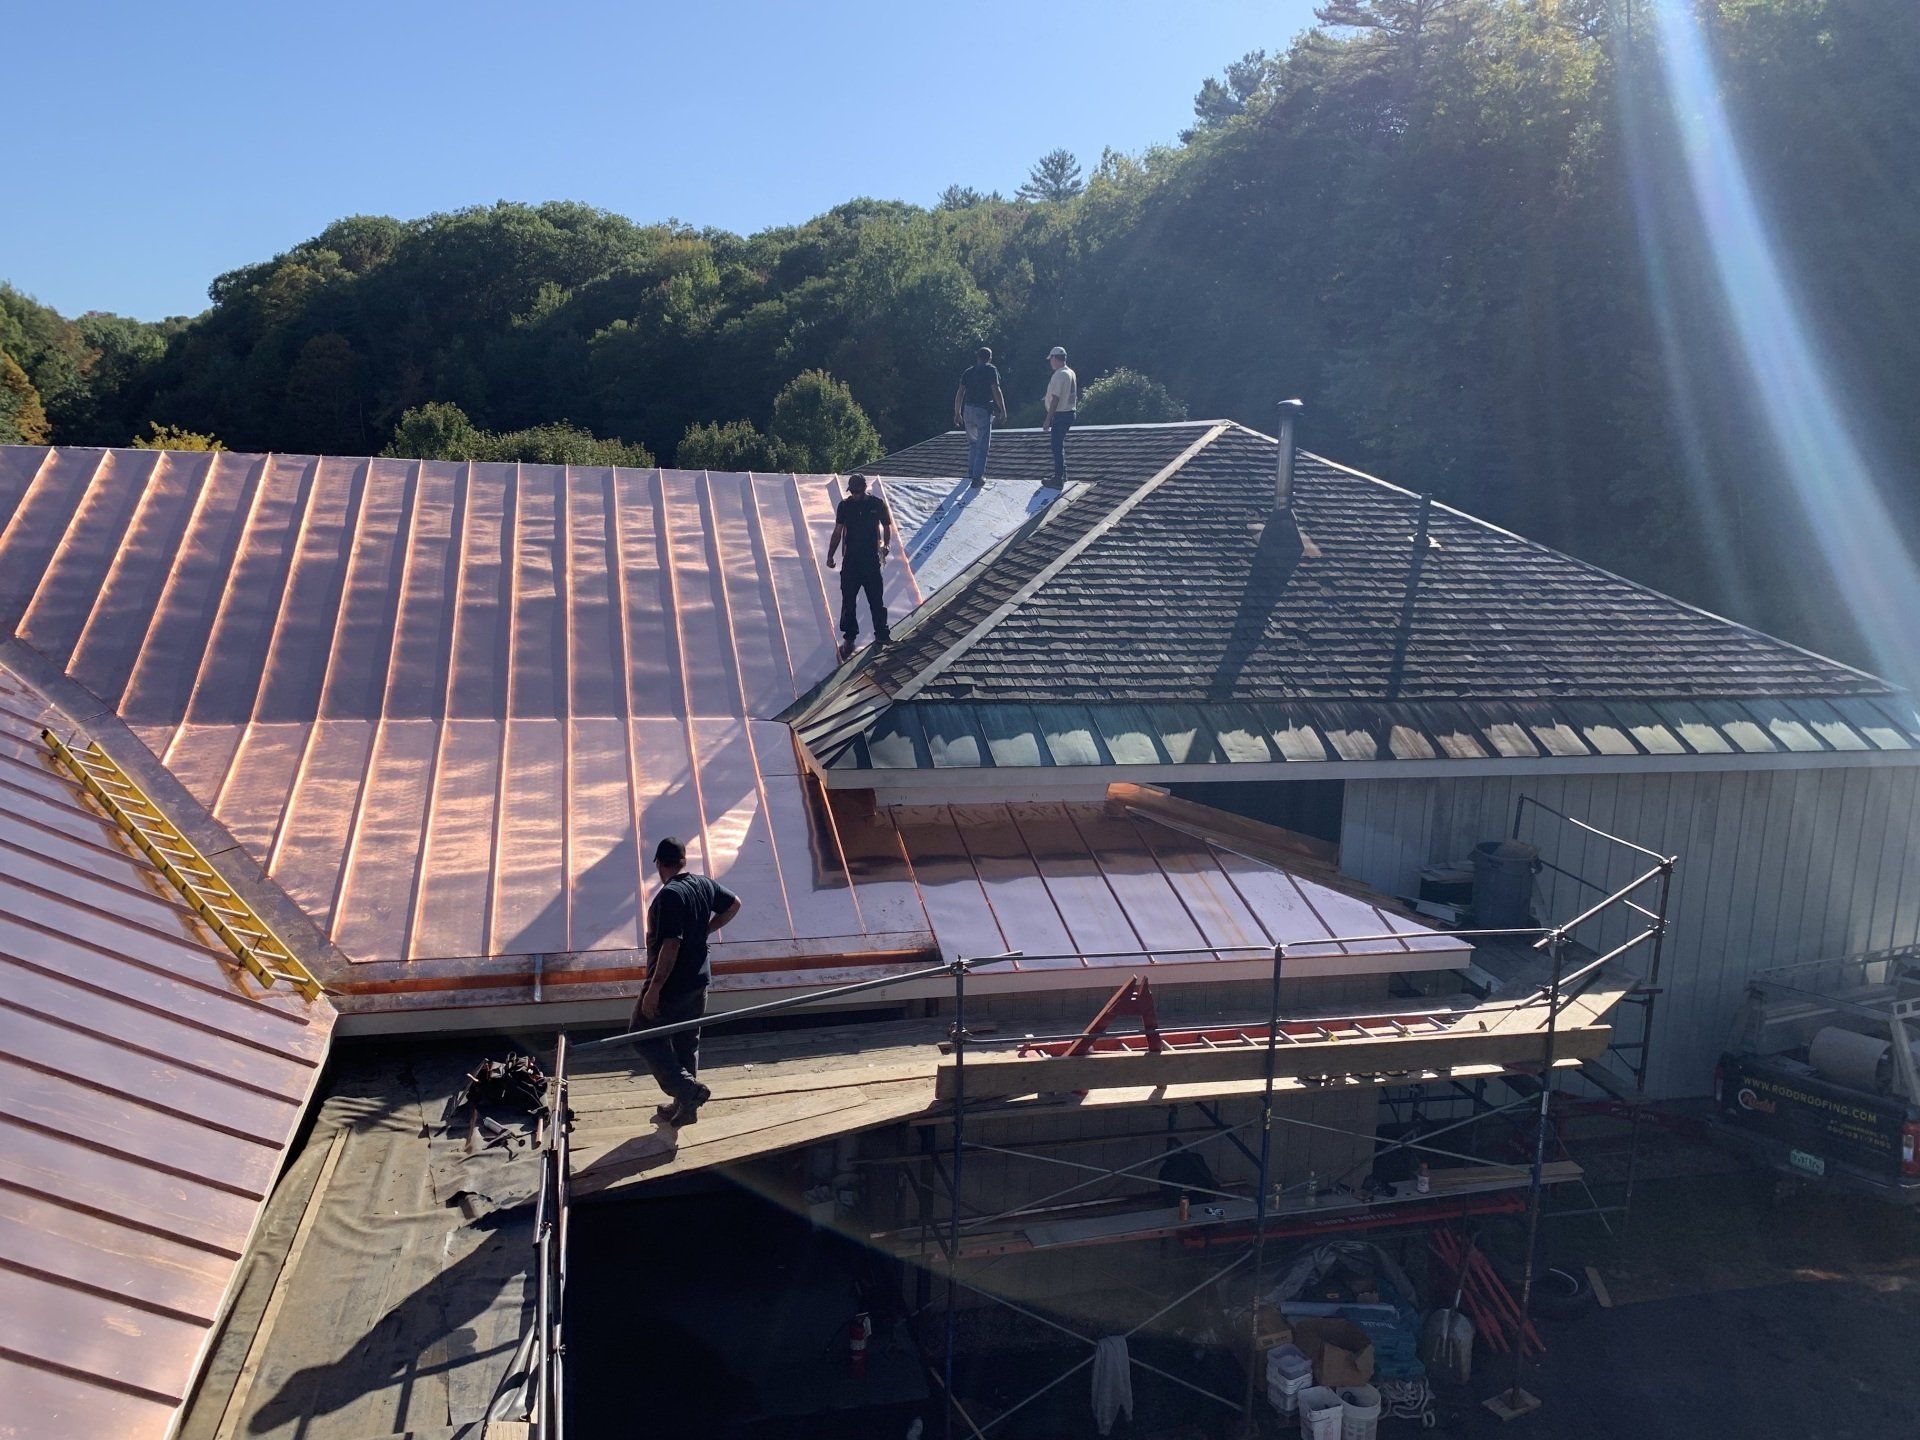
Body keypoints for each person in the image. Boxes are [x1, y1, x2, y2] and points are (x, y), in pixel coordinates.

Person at [631, 836, 741, 1127]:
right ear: (683, 861)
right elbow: (734, 904)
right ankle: (685, 1109)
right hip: (699, 980)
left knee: (642, 1035)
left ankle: (688, 1091)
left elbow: (670, 945)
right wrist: (706, 930)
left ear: (659, 864)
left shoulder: (670, 895)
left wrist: (654, 989)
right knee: (686, 1042)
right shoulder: (704, 884)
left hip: (672, 985)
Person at [826, 473, 895, 660]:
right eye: (852, 492)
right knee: (848, 601)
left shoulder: (877, 504)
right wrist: (830, 555)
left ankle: (882, 634)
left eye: (857, 491)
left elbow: (886, 526)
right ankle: (849, 639)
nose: (855, 495)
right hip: (851, 562)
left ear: (864, 488)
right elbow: (838, 532)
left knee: (876, 600)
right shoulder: (844, 506)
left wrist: (886, 544)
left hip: (871, 560)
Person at [952, 345, 1007, 488]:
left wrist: (957, 412)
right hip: (982, 410)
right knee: (982, 445)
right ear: (990, 358)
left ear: (977, 357)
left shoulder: (968, 372)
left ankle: (971, 472)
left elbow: (960, 392)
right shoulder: (991, 370)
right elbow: (996, 389)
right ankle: (977, 478)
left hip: (968, 410)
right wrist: (1002, 409)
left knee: (973, 443)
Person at [1042, 345, 1078, 483]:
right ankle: (1063, 475)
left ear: (1055, 358)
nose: (1050, 362)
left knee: (1056, 446)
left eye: (1051, 359)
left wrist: (1048, 419)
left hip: (1061, 414)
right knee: (1059, 445)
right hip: (1070, 412)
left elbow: (1056, 398)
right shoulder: (1070, 372)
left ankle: (1058, 478)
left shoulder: (1060, 374)